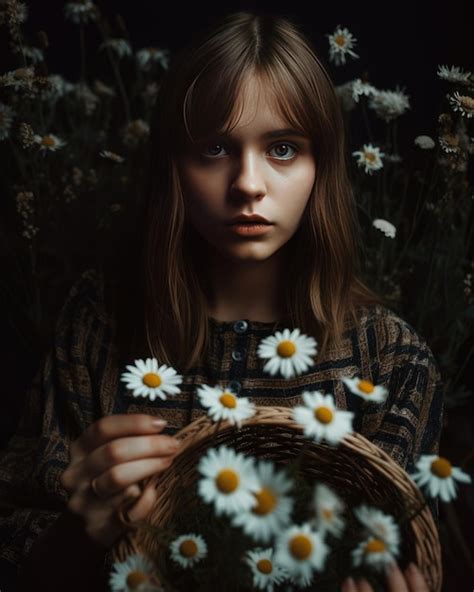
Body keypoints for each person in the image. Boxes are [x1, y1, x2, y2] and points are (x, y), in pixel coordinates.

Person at [0, 10, 443, 592]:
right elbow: (16, 552)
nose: (249, 184)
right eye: (213, 148)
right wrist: (80, 533)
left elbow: (401, 546)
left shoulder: (388, 360)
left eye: (283, 148)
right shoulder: (100, 323)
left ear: (324, 167)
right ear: (173, 169)